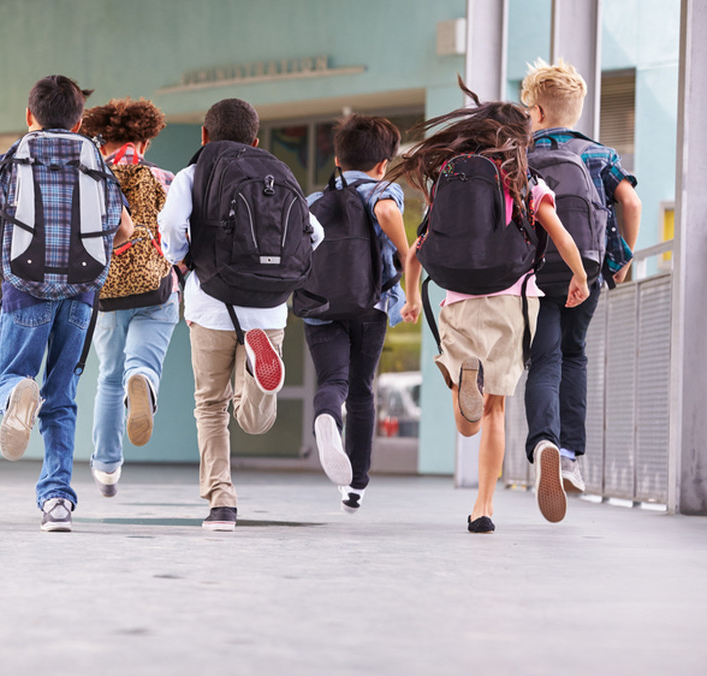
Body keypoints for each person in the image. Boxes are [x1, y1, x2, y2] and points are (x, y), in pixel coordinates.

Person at [385, 83, 589, 533]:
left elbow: (417, 252)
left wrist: (414, 297)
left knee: (466, 422)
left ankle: (465, 385)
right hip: (511, 300)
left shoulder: (449, 179)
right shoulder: (524, 179)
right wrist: (579, 276)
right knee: (494, 410)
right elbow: (560, 234)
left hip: (458, 300)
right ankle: (484, 508)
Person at [158, 98, 323, 532]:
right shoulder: (277, 172)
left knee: (211, 406)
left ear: (204, 137)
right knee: (255, 419)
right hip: (268, 311)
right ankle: (259, 379)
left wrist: (179, 259)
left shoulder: (193, 174)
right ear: (255, 139)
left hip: (210, 304)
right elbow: (315, 233)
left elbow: (172, 224)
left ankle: (222, 501)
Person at [0, 75, 132, 532]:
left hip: (25, 289)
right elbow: (121, 230)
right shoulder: (96, 160)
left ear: (30, 117)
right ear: (81, 120)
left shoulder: (14, 158)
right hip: (82, 293)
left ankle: (16, 395)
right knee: (61, 398)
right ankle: (57, 502)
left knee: (8, 379)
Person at [519, 59, 642, 520]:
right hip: (585, 274)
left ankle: (544, 441)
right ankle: (568, 456)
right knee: (574, 355)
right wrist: (622, 258)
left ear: (538, 112)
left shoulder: (521, 155)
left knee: (544, 359)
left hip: (534, 274)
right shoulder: (601, 155)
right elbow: (630, 200)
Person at [299, 115, 421, 513]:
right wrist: (406, 256)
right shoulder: (383, 189)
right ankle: (356, 486)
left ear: (337, 159)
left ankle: (326, 418)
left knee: (332, 380)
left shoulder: (314, 201)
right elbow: (386, 213)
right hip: (370, 304)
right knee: (362, 390)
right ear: (383, 163)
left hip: (321, 306)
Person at [79, 98, 179, 498]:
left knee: (108, 378)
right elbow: (178, 237)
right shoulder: (162, 177)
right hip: (155, 288)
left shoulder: (92, 178)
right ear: (146, 139)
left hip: (107, 293)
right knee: (141, 363)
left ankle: (106, 468)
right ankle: (143, 380)